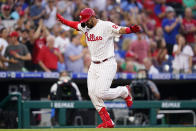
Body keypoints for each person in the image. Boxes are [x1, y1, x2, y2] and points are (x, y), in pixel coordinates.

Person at [57, 8, 141, 128]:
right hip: (94, 65)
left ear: (92, 17)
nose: (85, 22)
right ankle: (108, 121)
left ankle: (124, 91)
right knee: (92, 93)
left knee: (101, 92)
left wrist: (131, 30)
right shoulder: (85, 26)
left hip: (108, 63)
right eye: (84, 20)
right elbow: (74, 24)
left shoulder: (105, 26)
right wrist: (63, 21)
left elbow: (120, 29)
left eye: (87, 20)